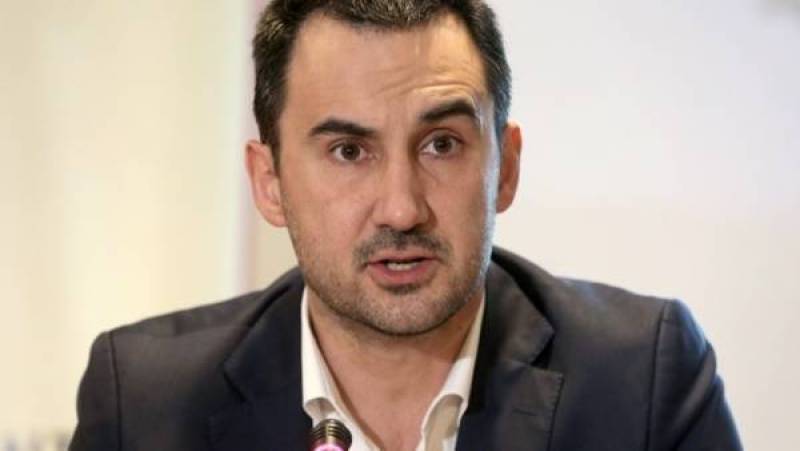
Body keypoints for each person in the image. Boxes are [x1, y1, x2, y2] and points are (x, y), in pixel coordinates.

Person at [69, 1, 742, 450]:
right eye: (348, 152)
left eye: (441, 145)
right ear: (269, 183)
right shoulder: (146, 407)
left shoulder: (643, 380)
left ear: (505, 167)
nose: (401, 208)